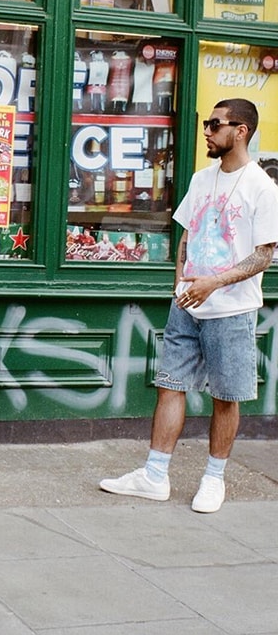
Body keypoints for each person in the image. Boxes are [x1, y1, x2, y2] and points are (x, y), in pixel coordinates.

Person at [100, 99, 278, 514]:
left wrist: (213, 283)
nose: (207, 133)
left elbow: (263, 255)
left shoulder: (262, 188)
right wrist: (179, 283)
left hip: (231, 310)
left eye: (216, 125)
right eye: (206, 124)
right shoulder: (201, 179)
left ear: (241, 131)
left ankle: (214, 479)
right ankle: (154, 474)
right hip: (187, 304)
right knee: (169, 385)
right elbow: (186, 237)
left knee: (226, 396)